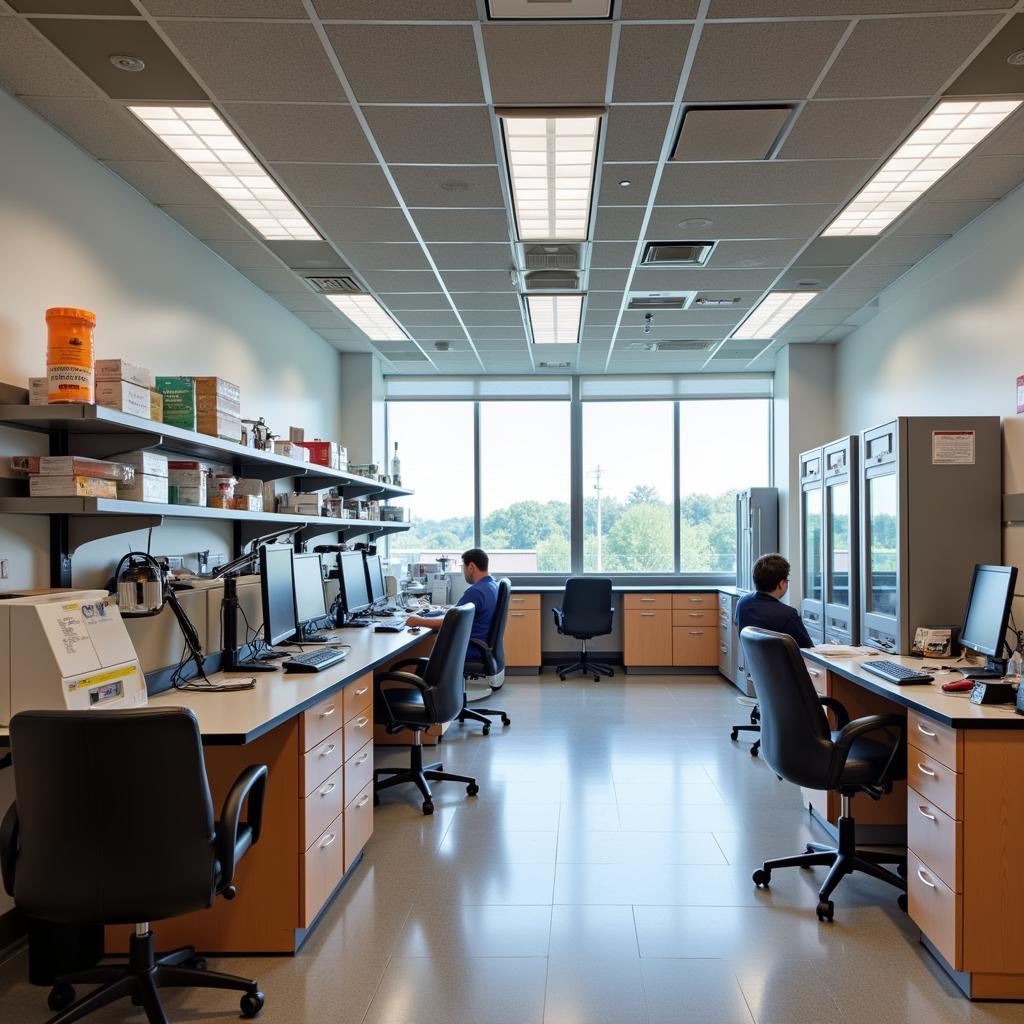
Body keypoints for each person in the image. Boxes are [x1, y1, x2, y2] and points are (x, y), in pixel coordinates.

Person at [406, 548, 498, 653]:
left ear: (471, 567)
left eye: (463, 567)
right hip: (480, 648)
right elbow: (456, 615)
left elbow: (450, 623)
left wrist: (417, 621)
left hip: (467, 651)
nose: (463, 572)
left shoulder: (476, 592)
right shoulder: (492, 586)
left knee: (420, 647)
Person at [736, 552, 813, 648]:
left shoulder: (743, 603)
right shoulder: (788, 615)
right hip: (781, 663)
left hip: (753, 663)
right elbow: (808, 650)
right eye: (787, 580)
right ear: (782, 583)